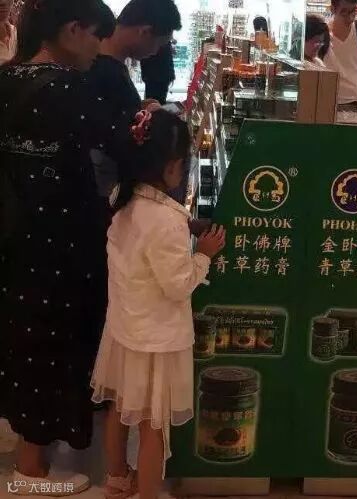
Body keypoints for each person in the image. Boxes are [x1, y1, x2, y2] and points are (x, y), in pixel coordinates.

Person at [0, 0, 122, 495]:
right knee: (51, 346)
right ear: (73, 30)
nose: (98, 49)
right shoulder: (70, 88)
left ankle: (26, 449)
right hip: (61, 240)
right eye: (96, 36)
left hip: (15, 236)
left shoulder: (6, 79)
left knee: (23, 339)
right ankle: (31, 472)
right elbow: (121, 143)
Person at [91, 109, 226, 499]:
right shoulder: (165, 221)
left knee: (119, 408)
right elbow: (178, 286)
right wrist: (203, 254)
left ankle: (117, 479)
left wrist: (186, 225)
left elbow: (151, 232)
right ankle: (149, 491)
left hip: (124, 329)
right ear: (171, 167)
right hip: (157, 340)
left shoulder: (123, 198)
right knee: (153, 423)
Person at [87, 0, 182, 123]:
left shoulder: (104, 60)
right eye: (159, 45)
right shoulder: (107, 72)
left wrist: (138, 107)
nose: (155, 52)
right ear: (144, 32)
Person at [324, 0, 357, 110]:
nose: (350, 18)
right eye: (344, 12)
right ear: (333, 9)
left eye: (353, 11)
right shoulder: (323, 34)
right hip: (328, 101)